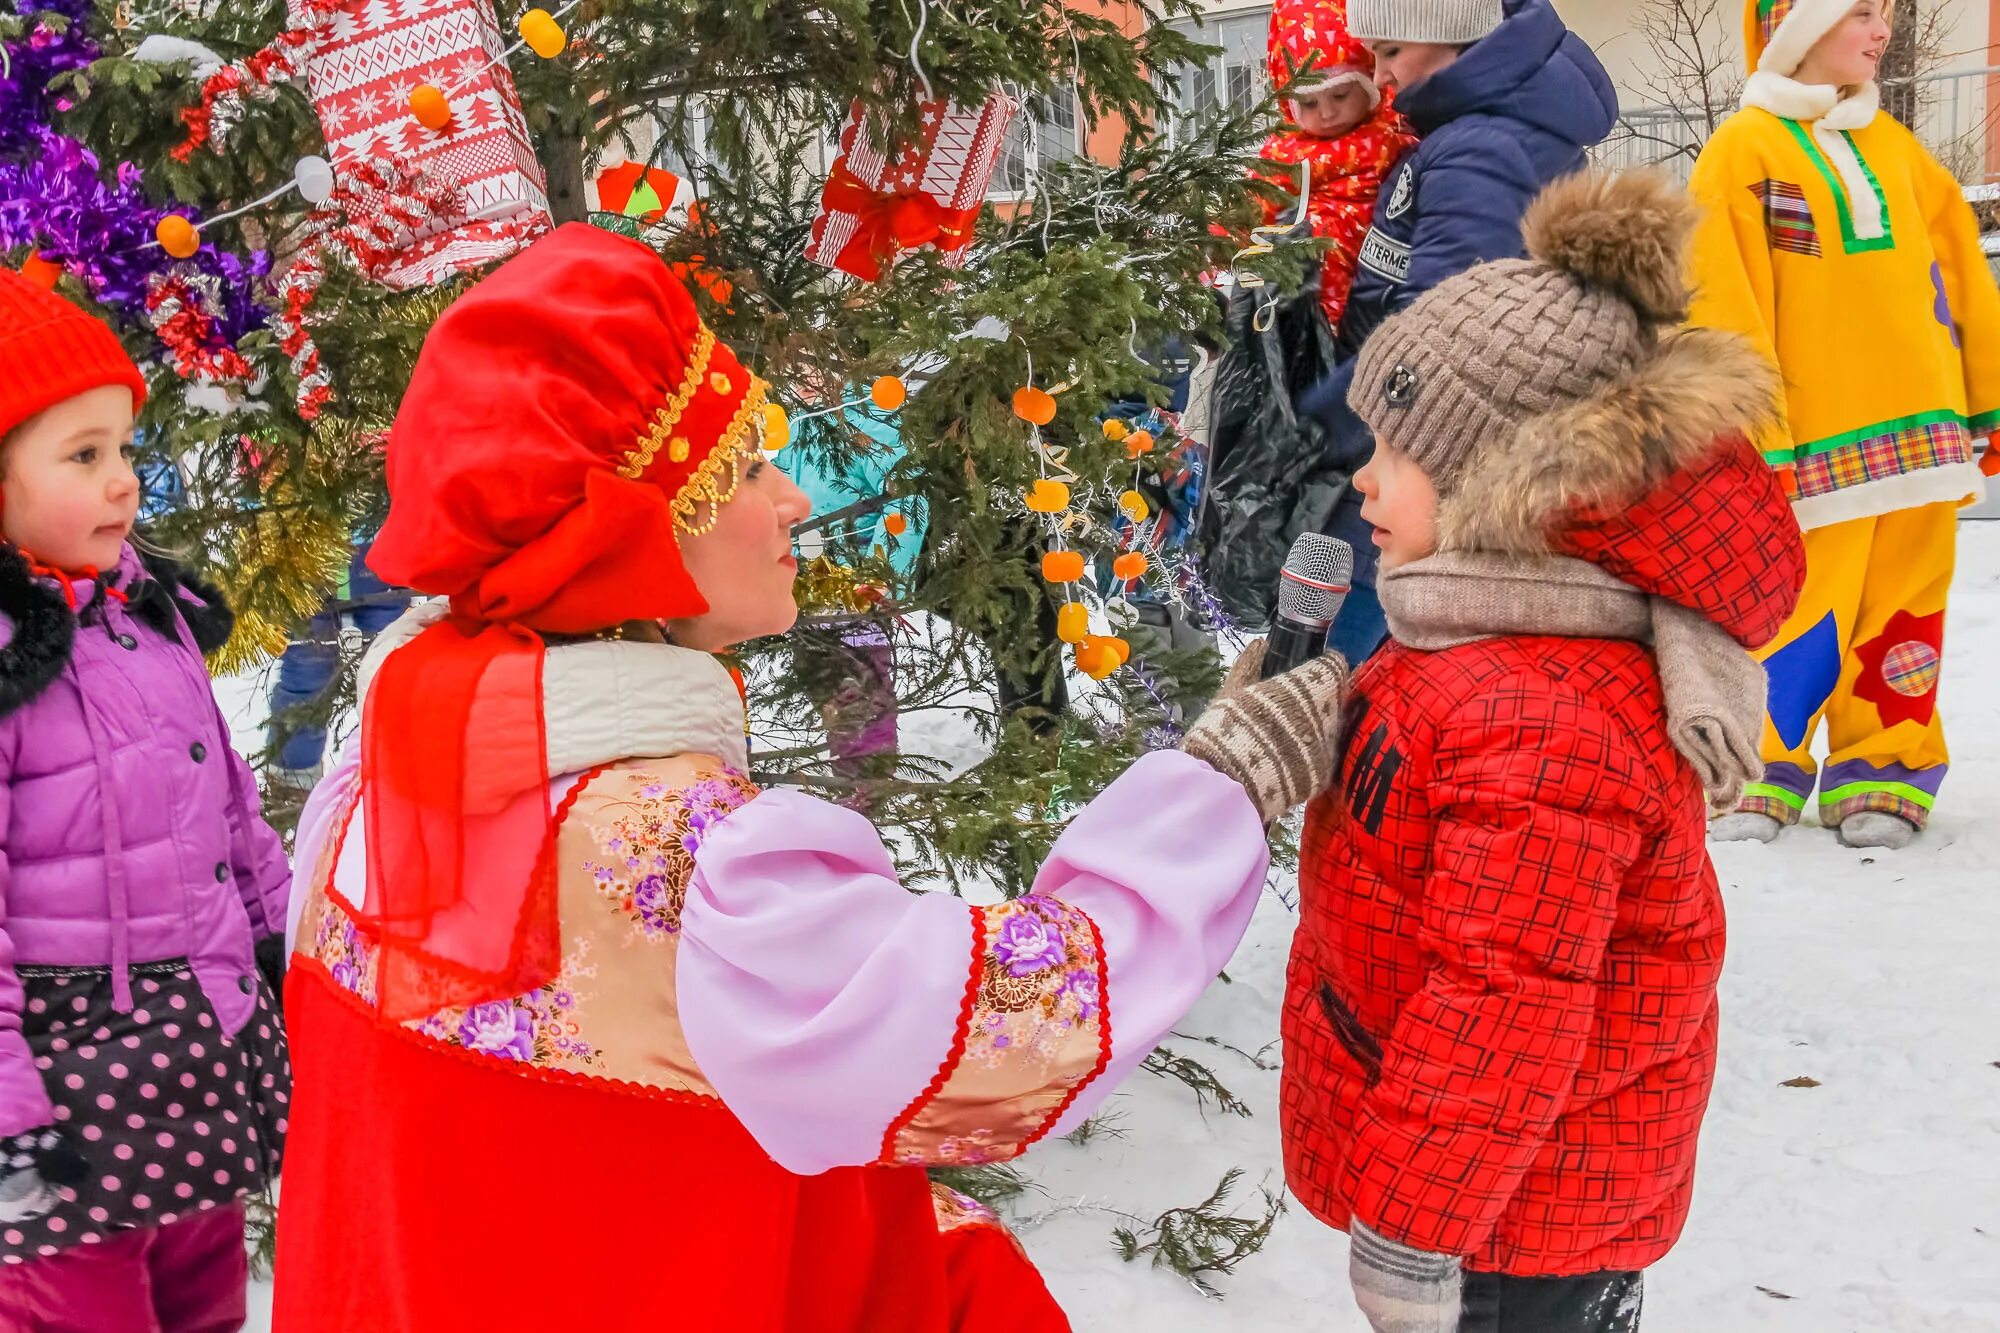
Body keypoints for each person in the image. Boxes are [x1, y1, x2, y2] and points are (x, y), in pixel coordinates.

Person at [271, 222, 1350, 1332]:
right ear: (630, 535)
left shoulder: (374, 789)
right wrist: (1219, 786)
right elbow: (1014, 1025)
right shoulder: (688, 864)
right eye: (741, 469)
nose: (790, 500)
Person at [1276, 173, 1806, 1333]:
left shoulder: (1540, 717)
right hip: (1494, 1184)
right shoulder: (1478, 632)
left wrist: (1417, 1229)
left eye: (1396, 453)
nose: (1362, 478)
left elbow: (1503, 1000)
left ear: (1498, 491)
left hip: (1512, 1219)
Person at [0, 271, 290, 1329]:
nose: (124, 483)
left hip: (191, 1066)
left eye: (124, 449)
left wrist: (280, 958)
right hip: (58, 1098)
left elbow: (233, 817)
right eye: (83, 456)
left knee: (203, 1304)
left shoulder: (149, 620)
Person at [1689, 0, 2000, 848]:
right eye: (1860, 11)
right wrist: (1754, 434)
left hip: (1923, 438)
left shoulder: (1897, 149)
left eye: (1886, 12)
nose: (1882, 29)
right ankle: (1763, 764)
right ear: (1795, 27)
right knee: (1795, 612)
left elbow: (1960, 271)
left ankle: (1886, 764)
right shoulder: (1741, 152)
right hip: (1806, 444)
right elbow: (1724, 299)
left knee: (1904, 613)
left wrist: (1988, 397)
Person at [1296, 0, 1617, 667]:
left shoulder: (1482, 147)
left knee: (1322, 677)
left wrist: (1312, 427)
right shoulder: (1473, 131)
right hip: (1414, 455)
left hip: (1418, 461)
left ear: (1448, 37)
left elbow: (1438, 332)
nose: (1380, 77)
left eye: (1388, 52)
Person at [1258, 0, 1419, 332]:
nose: (1327, 114)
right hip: (1309, 287)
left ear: (1369, 86)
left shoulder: (1393, 132)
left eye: (1341, 96)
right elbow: (1251, 204)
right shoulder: (1284, 153)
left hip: (1378, 277)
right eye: (1310, 103)